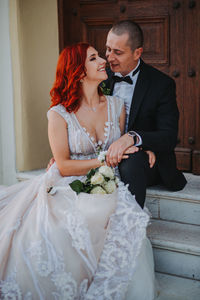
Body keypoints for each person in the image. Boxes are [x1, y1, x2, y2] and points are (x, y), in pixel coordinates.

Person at [0, 43, 156, 299]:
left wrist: (144, 150)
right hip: (69, 180)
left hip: (109, 181)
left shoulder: (117, 106)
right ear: (78, 71)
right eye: (93, 58)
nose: (103, 60)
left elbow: (126, 142)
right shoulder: (58, 114)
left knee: (117, 216)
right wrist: (104, 160)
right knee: (64, 225)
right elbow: (63, 164)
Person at [103, 20, 187, 208]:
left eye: (118, 52)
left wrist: (135, 139)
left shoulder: (161, 84)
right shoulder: (100, 78)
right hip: (105, 155)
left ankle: (131, 230)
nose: (109, 57)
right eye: (108, 49)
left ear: (137, 53)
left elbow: (168, 136)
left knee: (131, 162)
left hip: (144, 163)